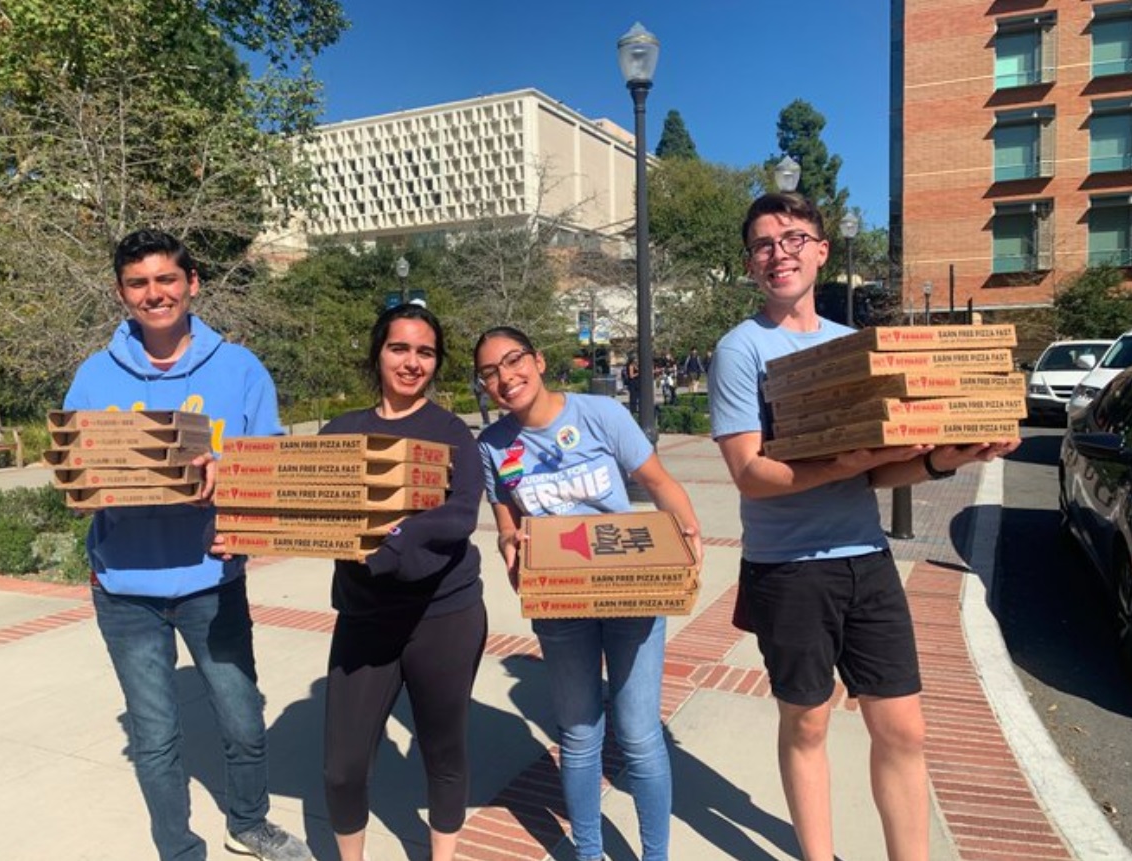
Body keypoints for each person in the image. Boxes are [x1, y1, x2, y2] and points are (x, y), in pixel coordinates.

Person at [707, 192, 1019, 861]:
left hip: (865, 560)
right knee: (808, 722)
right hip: (787, 568)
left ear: (821, 251)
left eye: (792, 238)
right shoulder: (740, 350)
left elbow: (876, 475)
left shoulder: (853, 347)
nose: (778, 253)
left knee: (903, 728)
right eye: (762, 244)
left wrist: (942, 459)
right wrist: (847, 460)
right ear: (749, 264)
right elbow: (749, 473)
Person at [63, 229, 310, 861]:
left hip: (212, 579)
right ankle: (178, 849)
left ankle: (249, 822)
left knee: (243, 719)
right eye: (139, 284)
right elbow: (77, 473)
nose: (155, 294)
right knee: (154, 735)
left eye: (166, 279)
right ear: (123, 294)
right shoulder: (94, 378)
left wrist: (234, 477)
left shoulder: (240, 369)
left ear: (191, 283)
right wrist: (89, 480)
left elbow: (273, 467)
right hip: (125, 588)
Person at [473, 326, 703, 861]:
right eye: (490, 372)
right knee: (578, 736)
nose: (506, 378)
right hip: (562, 605)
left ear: (538, 360)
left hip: (631, 593)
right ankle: (590, 853)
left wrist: (687, 538)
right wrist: (510, 543)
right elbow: (506, 515)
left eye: (513, 362)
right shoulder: (493, 446)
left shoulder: (600, 415)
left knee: (639, 734)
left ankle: (656, 855)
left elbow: (660, 483)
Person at [320, 304, 486, 861]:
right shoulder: (341, 432)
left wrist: (392, 543)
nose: (412, 362)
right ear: (377, 352)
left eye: (425, 352)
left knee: (443, 752)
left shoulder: (450, 432)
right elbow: (298, 506)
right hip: (366, 618)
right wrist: (235, 530)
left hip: (444, 615)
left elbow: (460, 513)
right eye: (400, 348)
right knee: (342, 767)